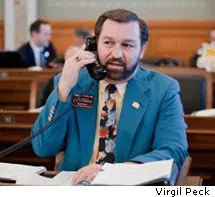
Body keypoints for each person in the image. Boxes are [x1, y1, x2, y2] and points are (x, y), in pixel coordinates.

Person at [32, 9, 188, 185]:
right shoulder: (73, 82)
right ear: (94, 44)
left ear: (142, 49)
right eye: (108, 43)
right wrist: (63, 89)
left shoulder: (163, 89)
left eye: (127, 45)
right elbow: (43, 148)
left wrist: (115, 171)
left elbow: (174, 149)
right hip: (75, 186)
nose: (117, 54)